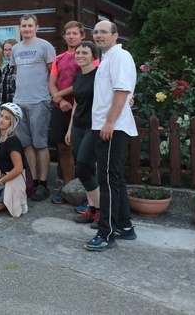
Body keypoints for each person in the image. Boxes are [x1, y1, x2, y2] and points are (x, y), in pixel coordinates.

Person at [83, 21, 137, 252]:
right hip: (105, 126)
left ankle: (106, 233)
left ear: (115, 35)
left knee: (107, 181)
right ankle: (124, 226)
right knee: (114, 178)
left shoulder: (120, 57)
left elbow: (122, 90)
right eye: (95, 32)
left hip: (111, 128)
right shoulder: (106, 59)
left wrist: (110, 122)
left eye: (104, 32)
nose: (98, 36)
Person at [11, 14, 56, 202]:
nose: (27, 29)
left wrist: (53, 96)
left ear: (37, 27)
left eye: (30, 25)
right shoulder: (15, 48)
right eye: (23, 26)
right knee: (27, 144)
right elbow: (16, 72)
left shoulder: (45, 46)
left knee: (40, 143)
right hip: (20, 101)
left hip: (39, 101)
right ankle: (33, 181)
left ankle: (43, 184)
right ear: (20, 28)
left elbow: (53, 73)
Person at [66, 41, 102, 226]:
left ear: (93, 56)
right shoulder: (77, 77)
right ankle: (92, 209)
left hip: (92, 127)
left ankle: (102, 211)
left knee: (83, 169)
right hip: (78, 127)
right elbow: (76, 104)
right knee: (84, 171)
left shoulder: (99, 75)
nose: (79, 55)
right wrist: (70, 127)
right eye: (78, 52)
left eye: (84, 52)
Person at [48, 21, 86, 187]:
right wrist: (60, 100)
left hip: (81, 107)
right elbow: (51, 83)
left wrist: (59, 95)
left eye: (75, 33)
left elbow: (85, 81)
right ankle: (68, 186)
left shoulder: (88, 56)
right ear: (64, 37)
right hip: (60, 108)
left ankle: (87, 188)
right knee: (63, 148)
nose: (71, 37)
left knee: (83, 150)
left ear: (82, 36)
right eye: (68, 34)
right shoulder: (58, 58)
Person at [0, 38, 18, 105]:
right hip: (5, 104)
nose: (7, 52)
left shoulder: (19, 67)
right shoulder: (5, 68)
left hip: (16, 104)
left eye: (10, 49)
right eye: (5, 50)